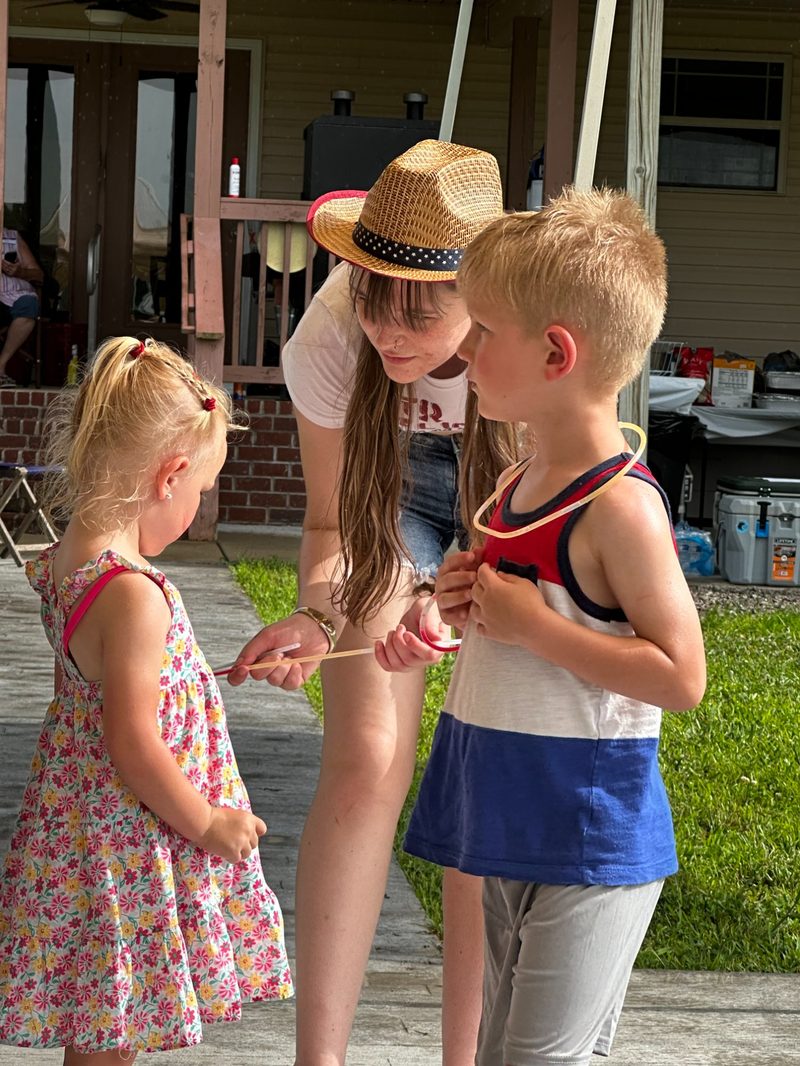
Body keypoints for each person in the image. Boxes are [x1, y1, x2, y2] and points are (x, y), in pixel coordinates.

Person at [391, 189, 707, 1065]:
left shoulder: (619, 509)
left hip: (587, 839)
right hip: (506, 817)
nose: (468, 348)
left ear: (556, 353)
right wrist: (463, 605)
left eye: (484, 330)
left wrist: (532, 627)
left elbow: (682, 677)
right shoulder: (519, 483)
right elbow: (523, 620)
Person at [230, 140, 521, 1065]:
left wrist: (452, 601)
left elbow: (534, 532)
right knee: (365, 755)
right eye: (371, 297)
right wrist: (319, 619)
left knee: (478, 772)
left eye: (418, 311)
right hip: (379, 506)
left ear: (483, 290)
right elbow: (330, 528)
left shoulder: (528, 342)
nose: (387, 329)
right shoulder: (330, 337)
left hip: (503, 525)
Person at [0, 337, 292, 1063]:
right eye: (201, 493)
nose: (197, 512)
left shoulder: (72, 556)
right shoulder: (135, 595)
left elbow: (106, 681)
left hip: (80, 833)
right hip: (124, 846)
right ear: (169, 475)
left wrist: (192, 677)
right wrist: (209, 825)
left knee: (102, 1023)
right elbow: (132, 741)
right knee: (111, 1033)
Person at [0, 228, 43, 386]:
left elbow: (39, 275)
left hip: (14, 297)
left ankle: (0, 366)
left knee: (29, 305)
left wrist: (20, 272)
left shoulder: (12, 236)